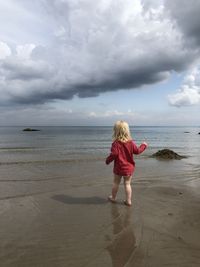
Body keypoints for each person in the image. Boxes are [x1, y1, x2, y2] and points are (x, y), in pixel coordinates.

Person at [105, 120, 147, 206]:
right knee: (127, 184)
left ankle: (113, 198)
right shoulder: (130, 143)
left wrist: (108, 160)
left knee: (116, 182)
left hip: (118, 168)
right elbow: (138, 151)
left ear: (115, 131)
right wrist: (144, 145)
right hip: (129, 168)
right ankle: (128, 201)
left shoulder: (116, 144)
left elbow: (114, 154)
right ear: (127, 131)